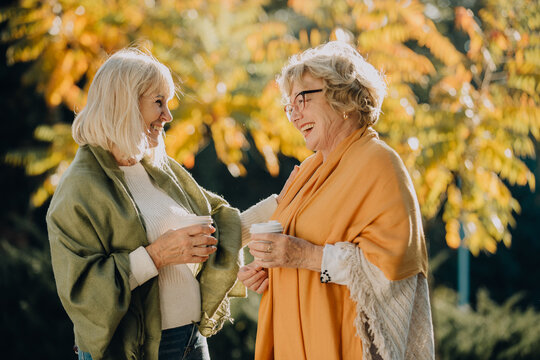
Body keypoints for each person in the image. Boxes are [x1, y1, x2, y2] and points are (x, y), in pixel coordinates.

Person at [46, 48, 278, 360]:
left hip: (191, 341)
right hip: (139, 351)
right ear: (125, 104)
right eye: (158, 102)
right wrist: (156, 256)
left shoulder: (159, 170)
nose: (167, 116)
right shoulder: (80, 188)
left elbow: (222, 229)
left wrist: (284, 201)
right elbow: (82, 293)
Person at [238, 41, 435, 359]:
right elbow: (298, 249)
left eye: (302, 99)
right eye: (290, 106)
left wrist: (304, 257)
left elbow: (390, 270)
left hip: (344, 344)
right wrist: (268, 269)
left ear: (343, 98)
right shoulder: (309, 171)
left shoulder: (379, 163)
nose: (294, 115)